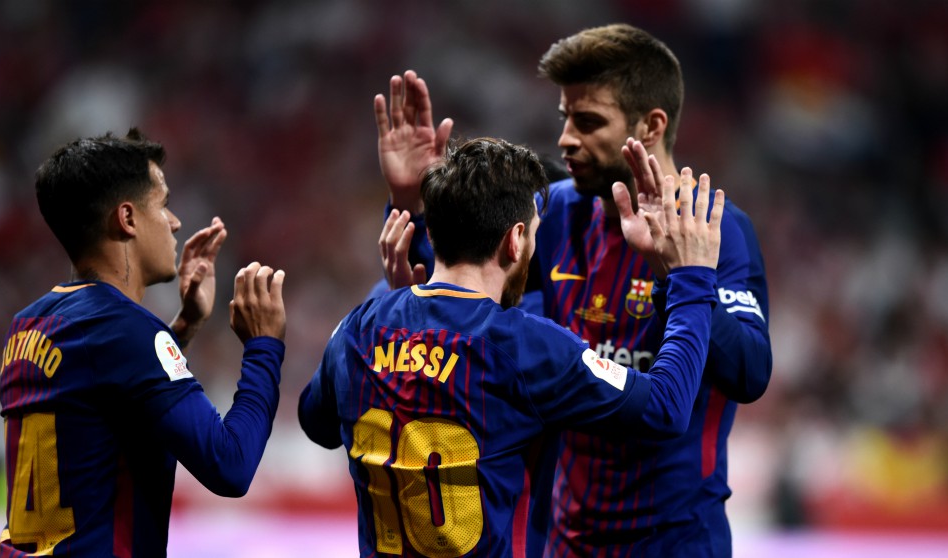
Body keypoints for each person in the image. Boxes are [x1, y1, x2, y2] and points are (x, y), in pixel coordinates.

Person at [374, 23, 771, 557]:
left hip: (677, 540)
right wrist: (411, 202)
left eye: (588, 122)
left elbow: (749, 372)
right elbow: (455, 296)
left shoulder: (713, 229)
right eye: (565, 117)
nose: (564, 139)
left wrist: (674, 273)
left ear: (651, 125)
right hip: (566, 539)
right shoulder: (554, 210)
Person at [299, 136, 725, 557]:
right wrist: (690, 278)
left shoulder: (358, 327)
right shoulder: (527, 345)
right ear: (516, 239)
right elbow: (666, 408)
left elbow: (315, 423)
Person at [0, 128, 287, 556]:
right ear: (128, 218)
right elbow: (230, 466)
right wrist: (264, 347)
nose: (174, 221)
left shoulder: (26, 326)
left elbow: (111, 397)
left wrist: (184, 326)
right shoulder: (125, 330)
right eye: (164, 204)